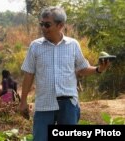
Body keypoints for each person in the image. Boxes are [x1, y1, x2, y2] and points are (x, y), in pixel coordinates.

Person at [19, 6, 110, 141]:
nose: (43, 28)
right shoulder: (35, 46)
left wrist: (98, 69)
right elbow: (29, 74)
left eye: (47, 25)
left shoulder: (73, 45)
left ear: (60, 25)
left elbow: (82, 68)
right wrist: (23, 101)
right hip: (44, 103)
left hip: (68, 104)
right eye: (41, 24)